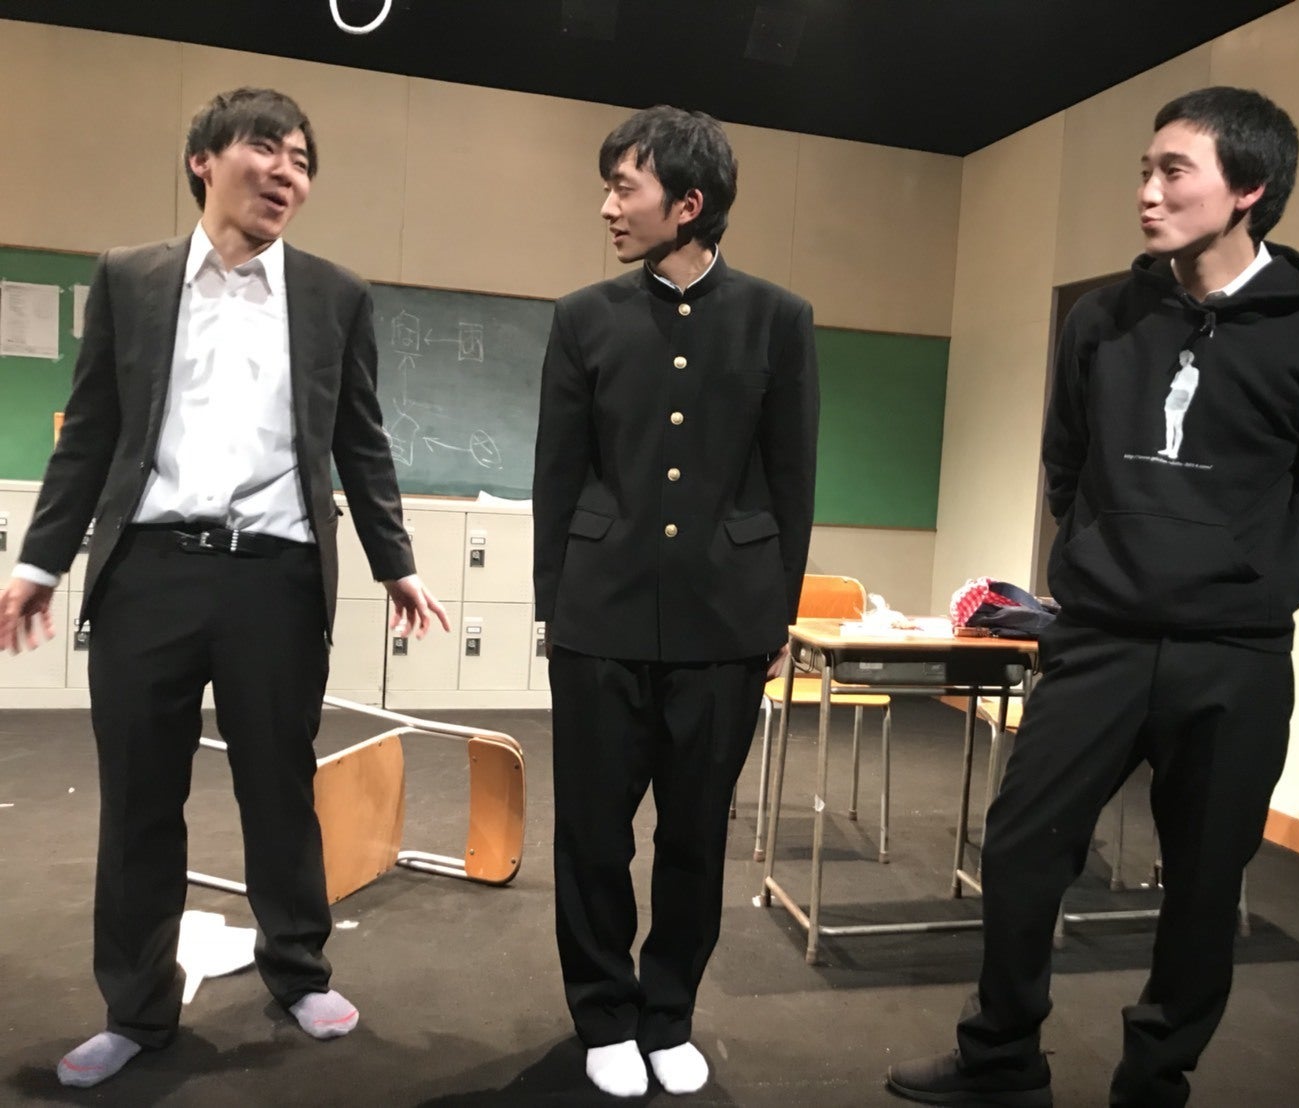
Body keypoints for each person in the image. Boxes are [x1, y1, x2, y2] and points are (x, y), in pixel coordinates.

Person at [886, 86, 1299, 1107]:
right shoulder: (1102, 319)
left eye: (1172, 171)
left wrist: (1253, 578)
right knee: (1021, 850)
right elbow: (1065, 465)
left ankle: (1154, 1082)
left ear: (1247, 188)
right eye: (1143, 172)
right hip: (1098, 639)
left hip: (1233, 657)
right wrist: (1103, 561)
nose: (1146, 192)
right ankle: (1000, 1059)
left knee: (1202, 884)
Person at [0, 87, 450, 1088]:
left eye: (303, 160)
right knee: (138, 801)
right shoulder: (131, 278)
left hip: (275, 578)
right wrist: (39, 564)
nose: (287, 172)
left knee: (279, 789)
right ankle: (135, 1008)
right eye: (266, 148)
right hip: (149, 573)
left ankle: (299, 969)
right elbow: (92, 434)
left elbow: (360, 440)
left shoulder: (335, 294)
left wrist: (398, 561)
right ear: (204, 159)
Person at [533, 105, 819, 1098]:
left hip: (724, 620)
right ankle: (604, 1011)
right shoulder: (582, 317)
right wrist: (553, 606)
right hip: (599, 613)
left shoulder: (779, 319)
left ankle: (668, 1013)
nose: (607, 206)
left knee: (696, 833)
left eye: (626, 187)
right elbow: (557, 473)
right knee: (592, 833)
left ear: (688, 204)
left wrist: (775, 615)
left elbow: (790, 480)